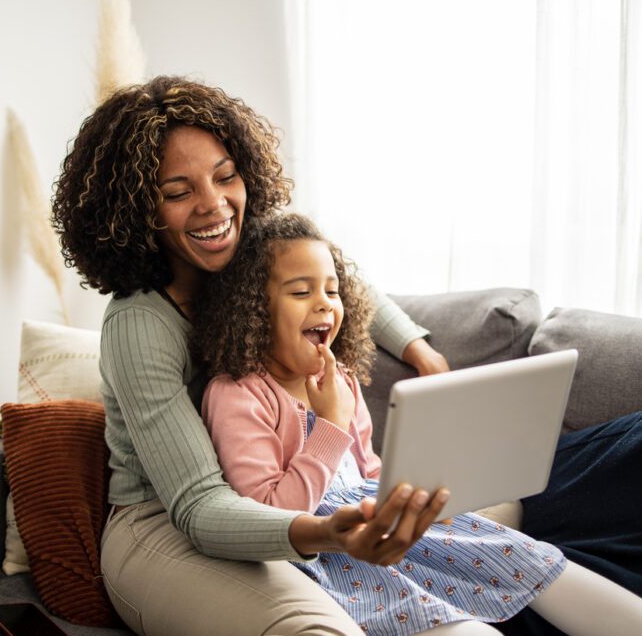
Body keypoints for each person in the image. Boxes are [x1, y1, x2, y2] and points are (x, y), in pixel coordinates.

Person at [51, 75, 452, 636]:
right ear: (139, 211)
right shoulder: (140, 325)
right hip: (159, 528)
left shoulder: (246, 254)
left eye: (225, 177)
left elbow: (341, 281)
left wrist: (421, 352)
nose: (214, 206)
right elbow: (197, 507)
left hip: (276, 510)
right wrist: (326, 532)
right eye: (178, 191)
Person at [197, 212, 642, 635]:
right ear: (254, 309)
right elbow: (270, 517)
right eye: (300, 292)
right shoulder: (237, 394)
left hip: (387, 528)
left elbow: (370, 472)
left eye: (332, 292)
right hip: (327, 558)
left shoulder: (342, 381)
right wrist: (330, 424)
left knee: (536, 562)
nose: (324, 305)